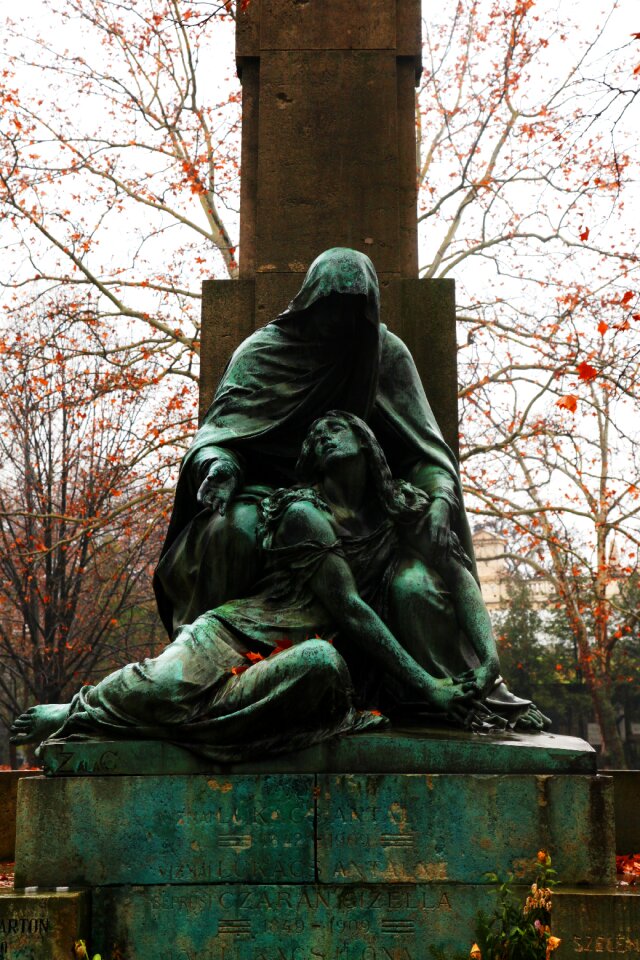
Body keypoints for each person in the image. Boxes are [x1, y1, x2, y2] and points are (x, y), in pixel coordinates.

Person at [10, 412, 535, 758]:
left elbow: (457, 571)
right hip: (238, 634)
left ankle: (190, 728)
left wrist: (487, 665)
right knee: (163, 685)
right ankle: (77, 712)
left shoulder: (400, 506)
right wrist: (431, 686)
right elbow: (350, 608)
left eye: (335, 429)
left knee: (321, 667)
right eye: (315, 437)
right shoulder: (302, 511)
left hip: (299, 657)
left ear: (366, 442)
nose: (323, 436)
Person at [154, 247, 475, 650]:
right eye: (330, 305)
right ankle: (207, 659)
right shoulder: (260, 354)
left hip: (361, 508)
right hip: (267, 497)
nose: (339, 319)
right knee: (232, 531)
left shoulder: (382, 355)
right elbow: (218, 436)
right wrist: (220, 466)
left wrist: (442, 498)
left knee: (417, 586)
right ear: (309, 301)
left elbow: (423, 452)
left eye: (352, 309)